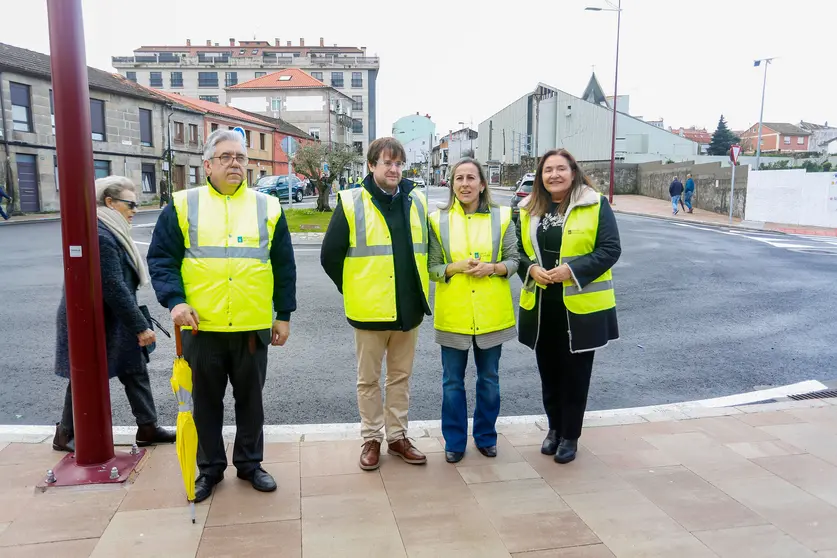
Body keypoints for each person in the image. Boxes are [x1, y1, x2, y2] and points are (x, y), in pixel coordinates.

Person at [147, 129, 297, 502]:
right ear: (208, 164)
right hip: (202, 326)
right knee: (205, 404)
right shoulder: (182, 205)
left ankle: (249, 464)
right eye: (226, 156)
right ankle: (209, 470)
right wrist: (174, 301)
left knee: (252, 402)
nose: (235, 163)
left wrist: (284, 314)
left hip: (252, 325)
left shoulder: (268, 207)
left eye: (240, 157)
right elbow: (161, 259)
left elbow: (284, 265)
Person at [321, 137, 430, 471]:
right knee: (368, 380)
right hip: (369, 312)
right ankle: (371, 438)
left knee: (400, 378)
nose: (394, 169)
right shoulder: (352, 201)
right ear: (371, 166)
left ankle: (397, 437)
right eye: (387, 163)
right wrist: (354, 289)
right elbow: (329, 256)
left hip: (408, 310)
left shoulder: (417, 201)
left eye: (398, 163)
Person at [53, 176, 175, 452]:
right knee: (83, 376)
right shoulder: (100, 234)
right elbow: (113, 286)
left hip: (111, 316)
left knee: (135, 369)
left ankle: (147, 428)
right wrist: (140, 326)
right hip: (92, 318)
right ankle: (65, 433)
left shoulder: (111, 229)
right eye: (130, 204)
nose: (135, 210)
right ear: (110, 202)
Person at [517, 149, 621, 465]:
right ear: (541, 177)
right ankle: (553, 429)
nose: (554, 175)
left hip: (579, 307)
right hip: (541, 304)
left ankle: (570, 436)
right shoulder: (528, 209)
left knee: (575, 375)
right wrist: (530, 269)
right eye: (548, 170)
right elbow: (517, 251)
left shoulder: (595, 204)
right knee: (548, 372)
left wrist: (571, 271)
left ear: (573, 172)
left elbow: (610, 249)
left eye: (560, 169)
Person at [428, 158, 519, 463]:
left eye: (471, 178)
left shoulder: (503, 216)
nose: (465, 184)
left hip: (491, 314)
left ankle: (485, 437)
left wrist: (493, 268)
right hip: (453, 315)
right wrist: (455, 267)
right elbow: (433, 268)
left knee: (489, 380)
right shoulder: (436, 220)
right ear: (451, 184)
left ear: (482, 183)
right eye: (459, 178)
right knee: (452, 382)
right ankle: (454, 442)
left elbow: (514, 260)